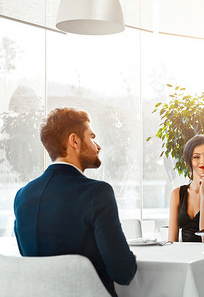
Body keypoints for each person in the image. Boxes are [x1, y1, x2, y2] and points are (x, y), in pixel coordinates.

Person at [14, 107, 137, 297]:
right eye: (92, 137)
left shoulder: (22, 196)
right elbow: (123, 273)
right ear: (74, 141)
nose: (98, 146)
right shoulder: (98, 192)